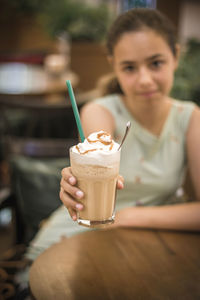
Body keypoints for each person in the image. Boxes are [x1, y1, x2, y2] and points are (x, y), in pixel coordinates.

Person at [26, 7, 200, 263]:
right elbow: (94, 157)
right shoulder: (101, 112)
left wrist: (129, 216)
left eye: (156, 63)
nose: (144, 79)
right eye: (129, 68)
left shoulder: (191, 118)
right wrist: (74, 183)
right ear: (114, 66)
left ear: (175, 56)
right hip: (72, 242)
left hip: (137, 248)